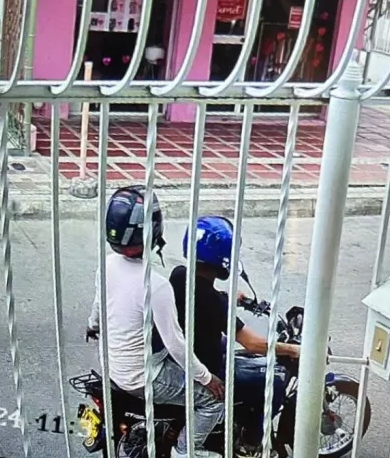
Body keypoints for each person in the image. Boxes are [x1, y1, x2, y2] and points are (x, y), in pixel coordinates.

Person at [87, 186, 224, 458]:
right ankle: (184, 452)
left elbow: (98, 306)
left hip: (111, 366)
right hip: (141, 376)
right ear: (154, 231)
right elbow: (176, 344)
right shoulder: (156, 285)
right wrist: (208, 379)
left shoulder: (108, 264)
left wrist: (92, 325)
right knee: (213, 402)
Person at [161, 215, 301, 455]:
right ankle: (252, 443)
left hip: (189, 349)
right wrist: (292, 349)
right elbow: (252, 342)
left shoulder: (180, 274)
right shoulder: (214, 303)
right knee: (274, 382)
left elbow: (200, 297)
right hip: (204, 365)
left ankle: (236, 420)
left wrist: (229, 298)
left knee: (232, 350)